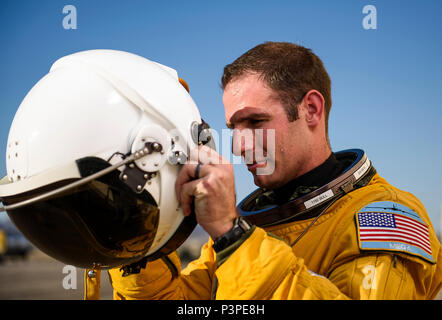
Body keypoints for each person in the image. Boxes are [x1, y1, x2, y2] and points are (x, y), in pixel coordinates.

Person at [108, 42, 441, 299]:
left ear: (311, 109)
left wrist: (232, 236)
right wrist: (136, 239)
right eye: (233, 127)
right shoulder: (250, 226)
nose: (238, 146)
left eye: (255, 122)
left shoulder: (386, 218)